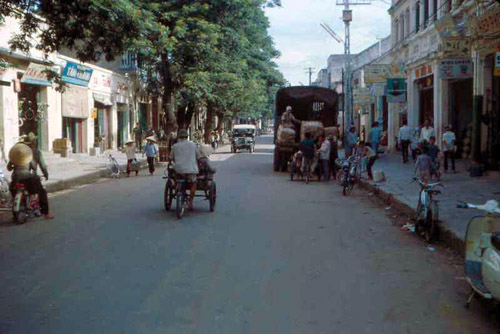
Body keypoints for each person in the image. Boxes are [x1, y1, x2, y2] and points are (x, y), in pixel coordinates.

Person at [8, 133, 53, 219]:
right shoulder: (35, 152)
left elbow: (9, 168)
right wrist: (46, 174)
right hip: (28, 178)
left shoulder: (18, 152)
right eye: (35, 141)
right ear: (33, 142)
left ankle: (19, 207)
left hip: (15, 178)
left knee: (13, 189)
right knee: (42, 192)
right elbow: (40, 166)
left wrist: (14, 164)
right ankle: (45, 213)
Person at [170, 129, 201, 211]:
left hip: (179, 170)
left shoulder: (175, 146)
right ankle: (191, 202)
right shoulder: (193, 145)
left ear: (179, 137)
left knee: (176, 178)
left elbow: (171, 158)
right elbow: (198, 157)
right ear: (187, 137)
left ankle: (178, 188)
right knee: (193, 183)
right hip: (191, 170)